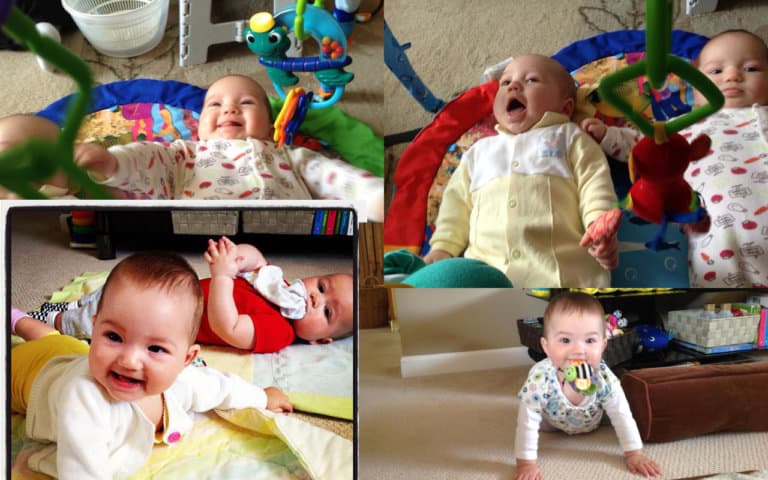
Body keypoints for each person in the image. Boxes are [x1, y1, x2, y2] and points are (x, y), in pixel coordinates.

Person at [10, 252, 293, 480]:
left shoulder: (185, 381)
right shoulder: (83, 398)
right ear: (95, 329)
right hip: (28, 376)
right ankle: (16, 319)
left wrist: (264, 397)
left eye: (155, 348)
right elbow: (81, 469)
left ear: (186, 360)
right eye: (113, 337)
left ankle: (17, 319)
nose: (129, 361)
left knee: (52, 339)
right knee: (44, 343)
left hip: (70, 352)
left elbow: (222, 387)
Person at [580, 30, 768, 287]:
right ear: (695, 89)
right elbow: (642, 145)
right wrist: (606, 135)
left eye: (751, 68)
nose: (732, 76)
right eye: (715, 72)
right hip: (720, 244)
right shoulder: (686, 124)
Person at [423, 54, 620, 287]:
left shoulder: (570, 138)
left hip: (563, 275)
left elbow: (595, 184)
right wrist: (443, 247)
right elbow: (455, 204)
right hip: (485, 276)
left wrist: (599, 226)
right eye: (505, 82)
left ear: (565, 107)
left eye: (532, 80)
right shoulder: (479, 151)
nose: (514, 85)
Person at [73, 74, 384, 221]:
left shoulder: (287, 154)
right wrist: (112, 164)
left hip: (289, 233)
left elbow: (330, 175)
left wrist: (372, 196)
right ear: (199, 126)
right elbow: (148, 160)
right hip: (205, 236)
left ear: (269, 122)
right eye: (215, 105)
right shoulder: (186, 153)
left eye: (246, 103)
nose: (229, 110)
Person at [29, 237, 354, 353]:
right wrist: (236, 257)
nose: (315, 299)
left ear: (321, 340)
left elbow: (228, 326)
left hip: (169, 319)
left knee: (110, 320)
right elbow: (257, 258)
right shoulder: (278, 286)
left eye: (327, 312)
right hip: (170, 288)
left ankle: (57, 319)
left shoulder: (279, 332)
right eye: (321, 288)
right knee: (120, 285)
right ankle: (78, 303)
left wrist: (224, 278)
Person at [514, 292, 661, 480]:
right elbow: (527, 423)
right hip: (550, 423)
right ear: (546, 346)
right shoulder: (540, 377)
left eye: (590, 340)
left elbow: (622, 414)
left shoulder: (604, 378)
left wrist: (635, 453)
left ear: (602, 345)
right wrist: (526, 464)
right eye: (565, 340)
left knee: (614, 408)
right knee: (530, 415)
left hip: (592, 422)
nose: (578, 350)